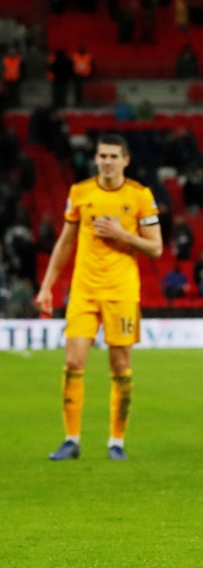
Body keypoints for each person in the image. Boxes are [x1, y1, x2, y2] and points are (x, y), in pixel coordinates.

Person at [35, 134, 163, 461]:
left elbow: (156, 248)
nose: (107, 162)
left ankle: (116, 442)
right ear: (95, 159)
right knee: (73, 362)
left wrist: (122, 234)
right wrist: (47, 286)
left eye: (113, 156)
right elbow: (65, 242)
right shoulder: (80, 192)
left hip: (121, 292)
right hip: (84, 291)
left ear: (125, 160)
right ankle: (71, 440)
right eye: (102, 156)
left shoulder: (140, 196)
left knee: (120, 365)